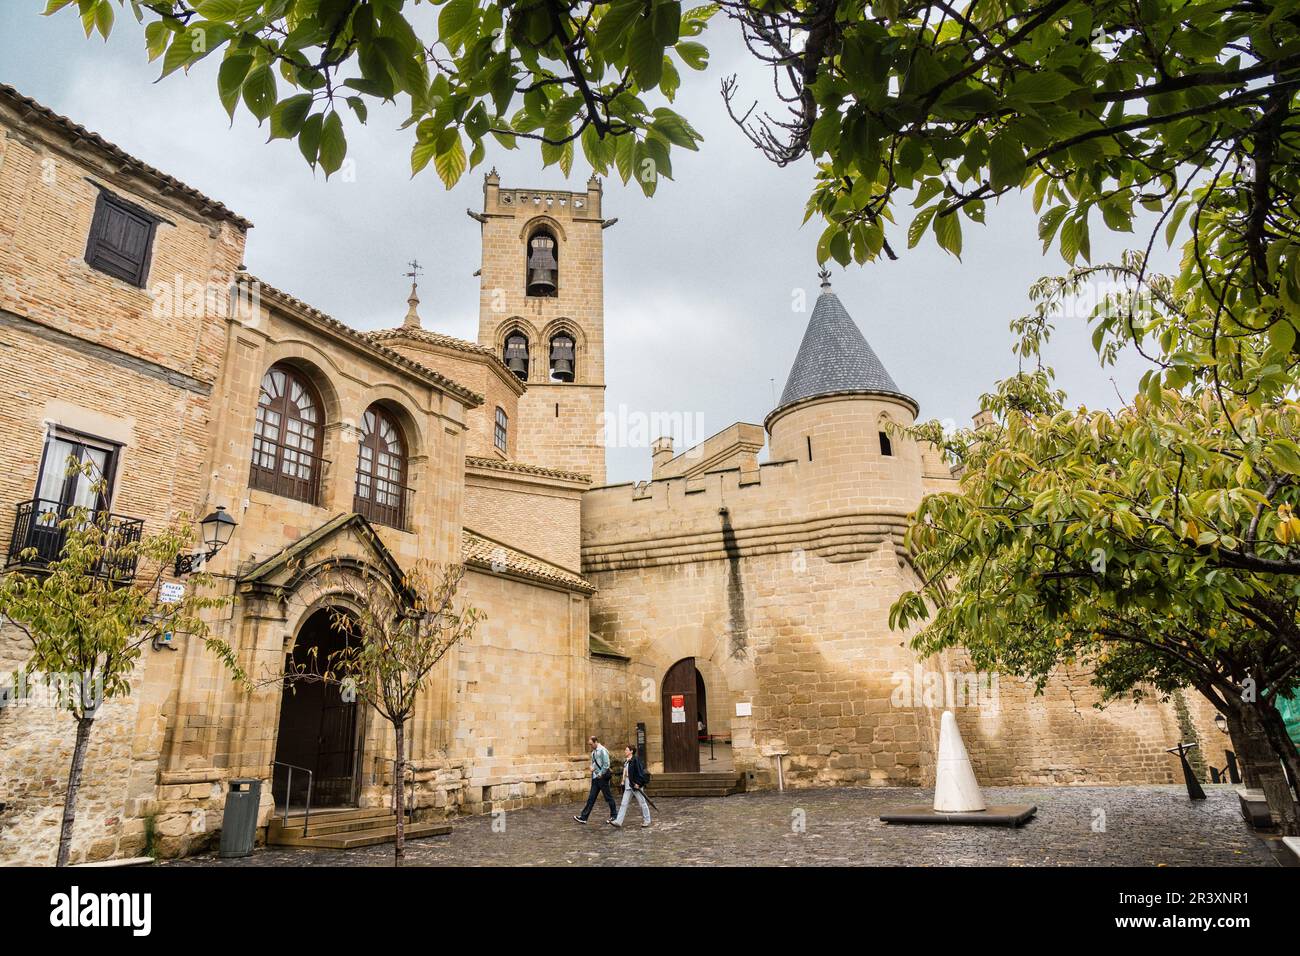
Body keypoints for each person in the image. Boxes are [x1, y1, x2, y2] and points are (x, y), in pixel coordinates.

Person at [574, 735, 616, 823]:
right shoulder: (593, 752)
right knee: (591, 798)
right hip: (595, 778)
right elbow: (594, 763)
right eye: (589, 744)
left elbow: (606, 764)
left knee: (608, 797)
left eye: (591, 744)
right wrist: (591, 767)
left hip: (602, 778)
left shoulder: (602, 750)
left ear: (596, 742)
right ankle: (584, 817)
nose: (591, 746)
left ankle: (614, 816)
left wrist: (600, 773)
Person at [609, 744, 651, 828]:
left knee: (642, 803)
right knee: (623, 804)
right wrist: (623, 781)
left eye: (627, 750)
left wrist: (638, 783)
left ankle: (647, 820)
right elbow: (626, 772)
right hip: (628, 785)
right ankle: (618, 821)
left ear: (631, 751)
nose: (625, 751)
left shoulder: (635, 760)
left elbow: (640, 772)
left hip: (635, 784)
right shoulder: (626, 761)